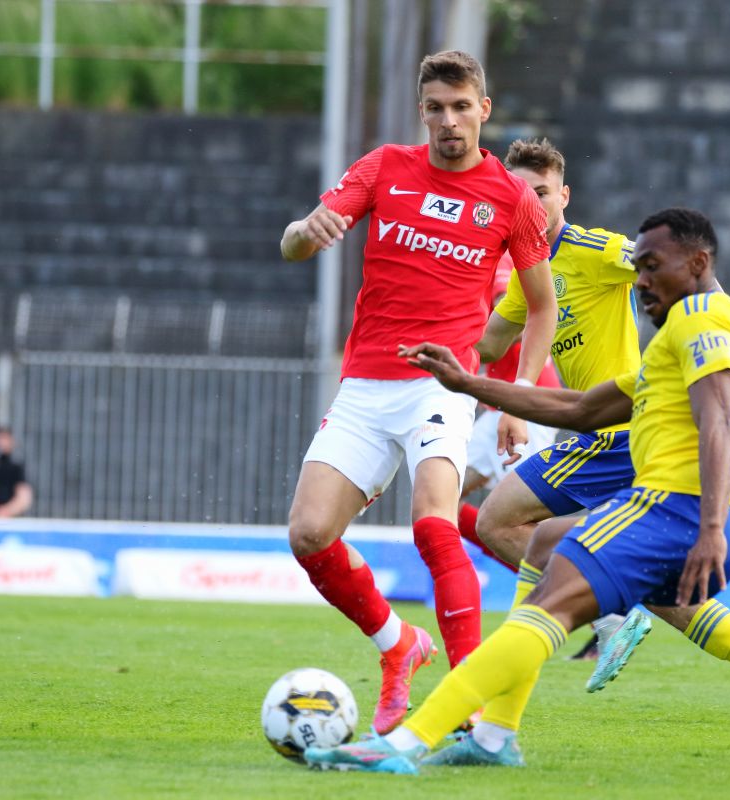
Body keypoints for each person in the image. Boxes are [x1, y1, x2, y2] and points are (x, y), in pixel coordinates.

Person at [305, 207, 730, 774]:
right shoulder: (683, 333)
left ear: (698, 263)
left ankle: (405, 744)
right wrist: (469, 383)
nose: (641, 281)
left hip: (675, 511)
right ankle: (495, 735)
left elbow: (717, 419)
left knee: (546, 602)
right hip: (682, 516)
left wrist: (711, 528)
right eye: (639, 268)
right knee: (545, 542)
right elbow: (581, 408)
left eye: (653, 266)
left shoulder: (700, 318)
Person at [278, 50, 557, 736]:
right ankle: (398, 644)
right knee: (309, 535)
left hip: (442, 384)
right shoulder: (383, 168)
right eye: (436, 108)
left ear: (483, 110)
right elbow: (294, 243)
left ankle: (465, 703)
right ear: (422, 112)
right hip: (365, 384)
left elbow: (542, 306)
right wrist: (305, 233)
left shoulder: (512, 199)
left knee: (433, 521)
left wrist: (517, 395)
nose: (448, 120)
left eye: (461, 107)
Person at [465, 137, 645, 656]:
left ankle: (605, 609)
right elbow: (488, 343)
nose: (532, 204)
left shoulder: (594, 249)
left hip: (626, 429)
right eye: (521, 194)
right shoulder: (531, 271)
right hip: (595, 431)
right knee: (507, 524)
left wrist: (709, 328)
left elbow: (668, 265)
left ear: (564, 196)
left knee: (499, 522)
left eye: (542, 192)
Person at [456, 255, 561, 573]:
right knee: (439, 499)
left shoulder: (500, 258)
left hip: (528, 409)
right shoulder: (466, 256)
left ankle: (579, 592)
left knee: (526, 520)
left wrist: (460, 341)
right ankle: (532, 577)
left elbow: (517, 321)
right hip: (498, 411)